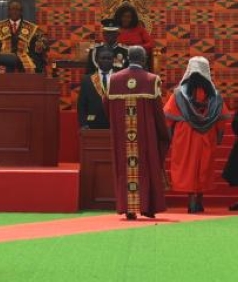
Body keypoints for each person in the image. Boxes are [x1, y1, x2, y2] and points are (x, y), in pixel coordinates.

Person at [105, 47, 170, 220]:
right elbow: (157, 111)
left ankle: (128, 208)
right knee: (147, 167)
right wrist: (163, 133)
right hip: (145, 136)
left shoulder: (114, 79)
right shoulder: (152, 79)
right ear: (144, 59)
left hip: (122, 136)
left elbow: (107, 107)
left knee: (125, 168)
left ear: (127, 58)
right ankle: (147, 207)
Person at [164, 57, 228, 213]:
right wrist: (219, 136)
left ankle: (191, 199)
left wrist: (170, 137)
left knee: (188, 166)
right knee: (203, 166)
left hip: (185, 135)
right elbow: (221, 120)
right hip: (207, 134)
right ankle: (199, 200)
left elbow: (168, 119)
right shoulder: (215, 95)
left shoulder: (178, 94)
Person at [0, 0, 48, 73]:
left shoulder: (30, 27)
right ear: (8, 11)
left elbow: (42, 39)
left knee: (36, 63)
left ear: (21, 12)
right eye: (12, 9)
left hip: (25, 57)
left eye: (17, 9)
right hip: (3, 58)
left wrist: (40, 44)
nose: (14, 12)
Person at [77, 46, 113, 129]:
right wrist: (83, 124)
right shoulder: (87, 80)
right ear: (97, 60)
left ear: (113, 60)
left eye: (109, 58)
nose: (106, 61)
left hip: (115, 124)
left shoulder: (119, 78)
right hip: (92, 123)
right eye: (103, 58)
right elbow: (81, 105)